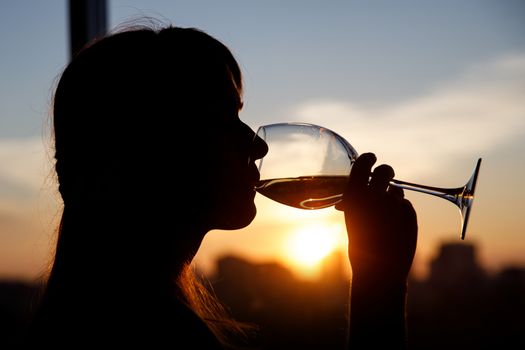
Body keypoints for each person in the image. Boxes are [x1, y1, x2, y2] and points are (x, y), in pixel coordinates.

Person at [27, 24, 417, 349]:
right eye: (222, 118)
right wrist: (379, 284)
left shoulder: (87, 318)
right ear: (145, 145)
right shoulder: (151, 334)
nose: (258, 145)